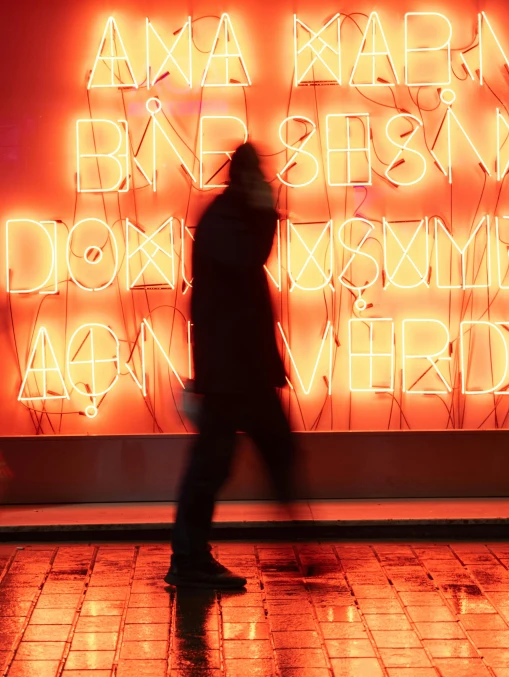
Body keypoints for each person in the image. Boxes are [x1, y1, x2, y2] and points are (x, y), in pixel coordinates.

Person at [166, 143, 296, 589]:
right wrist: (266, 214)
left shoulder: (229, 217)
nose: (266, 181)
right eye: (258, 174)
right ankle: (188, 560)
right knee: (216, 465)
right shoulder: (228, 220)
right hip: (232, 371)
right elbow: (249, 260)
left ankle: (299, 547)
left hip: (241, 367)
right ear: (244, 177)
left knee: (272, 454)